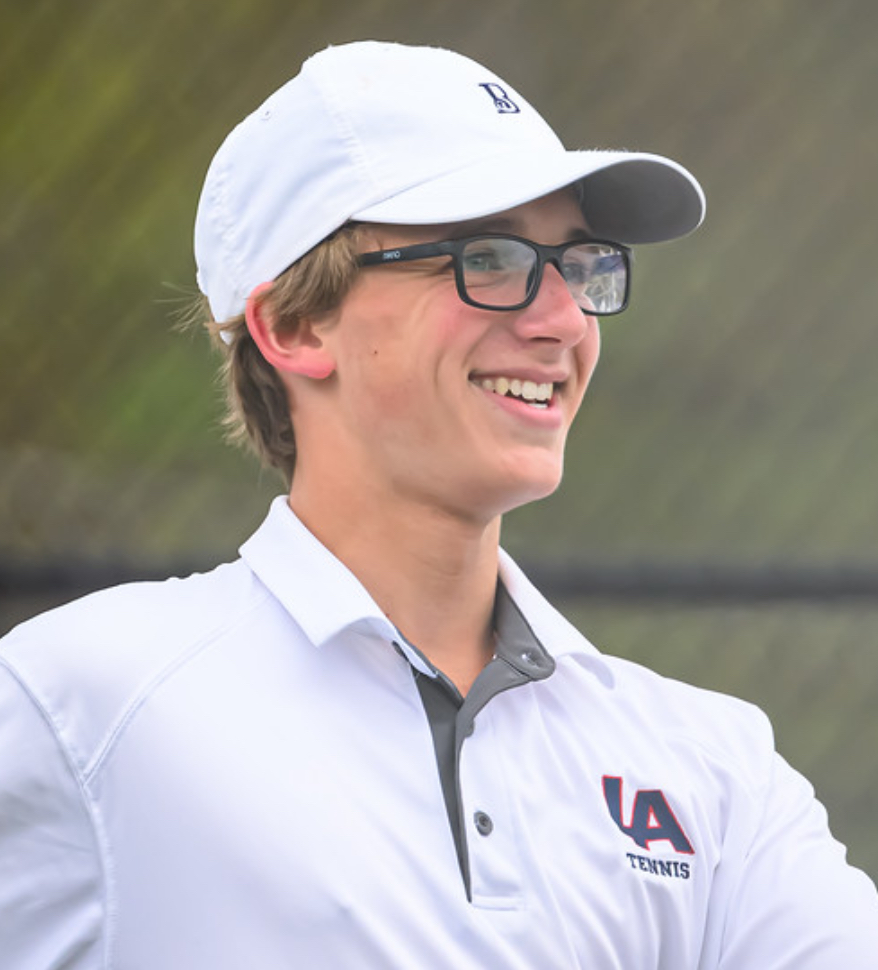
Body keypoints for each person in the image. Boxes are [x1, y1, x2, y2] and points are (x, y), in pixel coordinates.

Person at [1, 39, 876, 969]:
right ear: (294, 325)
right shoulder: (76, 707)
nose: (565, 321)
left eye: (579, 265)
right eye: (489, 258)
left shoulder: (711, 766)